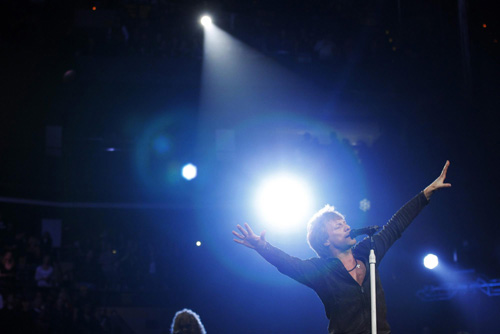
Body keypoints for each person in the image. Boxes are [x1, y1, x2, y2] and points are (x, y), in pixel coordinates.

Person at [232, 161, 451, 334]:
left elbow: (396, 225)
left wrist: (426, 193)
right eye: (338, 226)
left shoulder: (369, 251)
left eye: (345, 223)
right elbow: (289, 264)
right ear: (326, 240)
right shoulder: (321, 272)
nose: (347, 227)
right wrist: (262, 246)